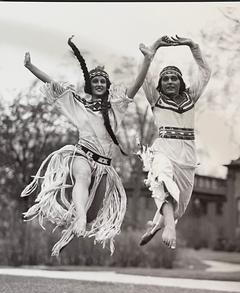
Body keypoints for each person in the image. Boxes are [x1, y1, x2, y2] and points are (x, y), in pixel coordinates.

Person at [21, 36, 159, 256]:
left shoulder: (117, 107)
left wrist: (148, 60)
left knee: (93, 214)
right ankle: (80, 217)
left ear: (107, 85)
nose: (99, 84)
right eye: (95, 81)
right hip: (82, 154)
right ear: (90, 84)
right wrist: (30, 66)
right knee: (82, 178)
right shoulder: (78, 104)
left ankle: (81, 219)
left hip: (104, 164)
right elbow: (52, 83)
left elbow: (136, 84)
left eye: (103, 81)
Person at [138, 35, 211, 249]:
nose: (170, 81)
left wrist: (193, 46)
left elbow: (205, 73)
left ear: (181, 82)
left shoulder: (191, 97)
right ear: (160, 84)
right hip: (164, 149)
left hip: (187, 156)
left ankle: (156, 227)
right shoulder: (155, 99)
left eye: (174, 78)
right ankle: (170, 227)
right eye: (166, 78)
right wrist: (152, 51)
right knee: (163, 180)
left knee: (180, 204)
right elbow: (143, 77)